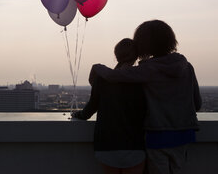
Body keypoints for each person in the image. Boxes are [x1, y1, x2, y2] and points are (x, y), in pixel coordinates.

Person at [91, 20, 202, 174]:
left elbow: (113, 76)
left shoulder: (148, 69)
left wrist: (97, 67)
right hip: (184, 133)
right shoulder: (187, 66)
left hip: (157, 134)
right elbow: (197, 103)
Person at [73, 38, 146, 174]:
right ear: (136, 55)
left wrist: (78, 115)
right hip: (134, 143)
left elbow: (90, 108)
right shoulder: (141, 79)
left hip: (106, 144)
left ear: (116, 55)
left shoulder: (103, 79)